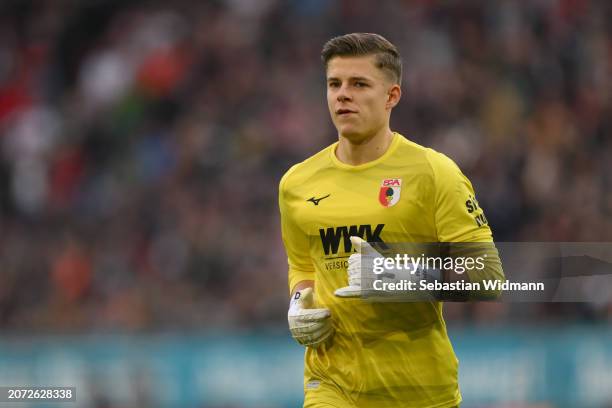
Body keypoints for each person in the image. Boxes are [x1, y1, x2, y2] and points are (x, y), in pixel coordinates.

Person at [279, 33, 504, 408]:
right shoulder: (297, 183)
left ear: (391, 96)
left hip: (421, 389)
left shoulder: (434, 172)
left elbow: (489, 277)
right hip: (333, 383)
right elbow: (302, 263)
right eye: (334, 84)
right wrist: (298, 303)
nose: (342, 94)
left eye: (359, 84)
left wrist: (412, 277)